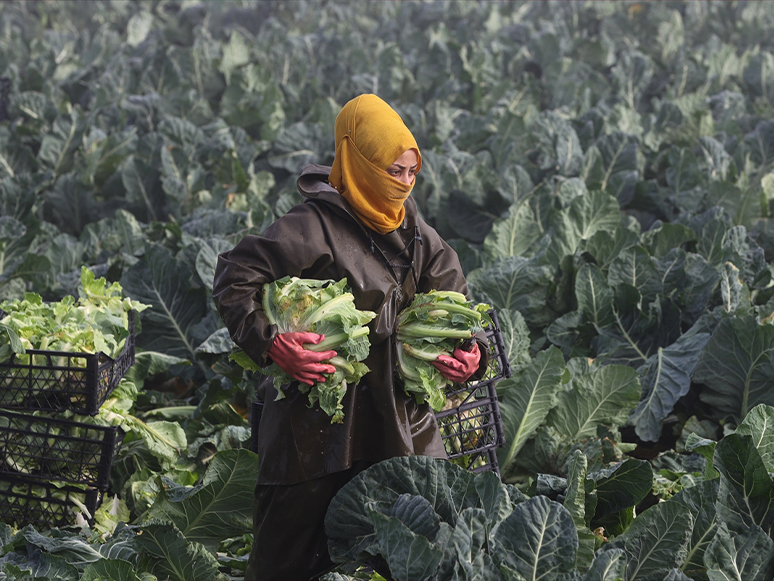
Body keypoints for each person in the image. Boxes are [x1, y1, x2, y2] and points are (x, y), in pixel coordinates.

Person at [212, 94, 487, 580]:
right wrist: (272, 343)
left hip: (400, 425)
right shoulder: (311, 228)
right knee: (290, 559)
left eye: (410, 172)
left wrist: (473, 356)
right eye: (392, 171)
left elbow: (462, 310)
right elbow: (236, 280)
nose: (403, 185)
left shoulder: (418, 235)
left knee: (411, 550)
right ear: (356, 161)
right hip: (316, 428)